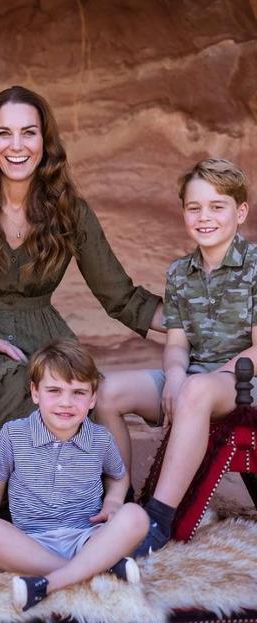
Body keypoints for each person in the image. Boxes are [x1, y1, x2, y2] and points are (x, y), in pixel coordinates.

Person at [0, 85, 163, 537]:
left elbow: (119, 295)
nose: (16, 146)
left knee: (76, 389)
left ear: (44, 142)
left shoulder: (69, 211)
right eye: (4, 133)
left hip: (46, 331)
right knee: (21, 380)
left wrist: (189, 324)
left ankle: (93, 511)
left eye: (28, 133)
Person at [94, 158, 256, 556]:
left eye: (217, 207)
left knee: (197, 391)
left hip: (244, 380)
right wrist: (177, 376)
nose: (205, 217)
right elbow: (178, 343)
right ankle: (122, 497)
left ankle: (158, 520)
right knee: (107, 392)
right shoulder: (180, 273)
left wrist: (197, 385)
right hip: (197, 379)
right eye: (194, 207)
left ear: (240, 212)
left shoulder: (254, 267)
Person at [0, 339, 149, 612]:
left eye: (78, 392)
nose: (66, 402)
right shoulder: (13, 435)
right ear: (35, 393)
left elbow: (118, 477)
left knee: (136, 516)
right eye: (54, 390)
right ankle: (96, 574)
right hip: (30, 543)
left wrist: (113, 504)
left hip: (87, 539)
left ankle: (48, 584)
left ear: (93, 399)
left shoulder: (100, 439)